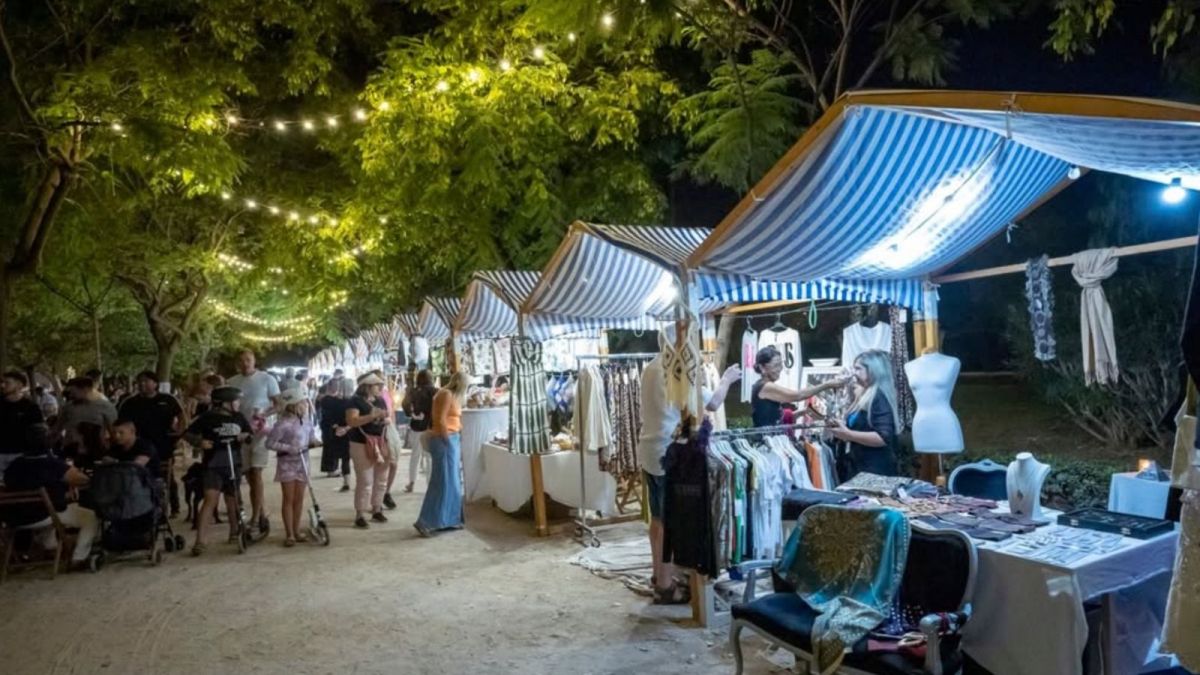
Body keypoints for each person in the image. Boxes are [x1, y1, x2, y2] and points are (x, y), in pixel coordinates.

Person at [638, 326, 740, 604]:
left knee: (657, 519)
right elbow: (713, 403)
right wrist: (727, 379)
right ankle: (666, 585)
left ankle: (659, 575)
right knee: (669, 521)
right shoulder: (678, 369)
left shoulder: (650, 367)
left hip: (649, 448)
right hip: (669, 453)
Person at [3, 424, 98, 569]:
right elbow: (83, 479)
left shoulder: (13, 467)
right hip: (44, 514)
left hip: (15, 519)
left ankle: (50, 548)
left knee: (52, 511)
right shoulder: (52, 464)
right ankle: (78, 558)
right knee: (89, 517)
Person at [184, 386, 251, 556]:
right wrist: (199, 442)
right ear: (225, 403)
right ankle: (201, 540)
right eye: (236, 401)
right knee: (210, 499)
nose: (239, 403)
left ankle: (235, 531)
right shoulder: (207, 418)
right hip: (213, 464)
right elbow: (188, 433)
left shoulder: (239, 417)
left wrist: (245, 436)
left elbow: (249, 433)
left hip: (233, 462)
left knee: (233, 499)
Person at [227, 349, 280, 536]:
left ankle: (256, 518)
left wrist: (264, 414)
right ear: (237, 363)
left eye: (248, 360)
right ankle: (262, 510)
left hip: (260, 433)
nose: (245, 363)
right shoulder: (232, 382)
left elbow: (278, 404)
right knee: (249, 475)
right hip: (241, 434)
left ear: (254, 361)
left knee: (256, 473)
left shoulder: (267, 379)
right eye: (241, 360)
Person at [118, 370, 184, 515]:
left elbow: (181, 415)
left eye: (146, 381)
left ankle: (173, 505)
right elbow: (121, 424)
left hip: (163, 444)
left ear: (155, 383)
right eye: (140, 381)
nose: (142, 384)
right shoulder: (130, 402)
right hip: (138, 446)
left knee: (166, 474)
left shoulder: (168, 400)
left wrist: (179, 434)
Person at [413, 371, 470, 537]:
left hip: (450, 437)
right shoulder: (446, 394)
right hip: (445, 438)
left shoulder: (448, 394)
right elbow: (441, 419)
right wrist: (446, 439)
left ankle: (449, 519)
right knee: (443, 480)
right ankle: (427, 521)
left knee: (452, 480)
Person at [828, 349, 901, 478]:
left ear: (873, 370)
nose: (854, 373)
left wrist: (848, 434)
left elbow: (883, 438)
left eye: (858, 369)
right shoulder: (866, 394)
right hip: (860, 466)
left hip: (875, 470)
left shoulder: (878, 396)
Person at [266, 389, 318, 547]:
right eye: (302, 402)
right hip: (287, 464)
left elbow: (311, 437)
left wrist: (315, 442)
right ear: (292, 405)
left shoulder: (306, 421)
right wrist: (289, 448)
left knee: (299, 499)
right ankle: (289, 534)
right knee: (288, 498)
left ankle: (297, 530)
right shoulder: (282, 424)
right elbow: (270, 443)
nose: (305, 405)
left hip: (303, 463)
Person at [750, 345, 847, 428]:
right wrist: (827, 384)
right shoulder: (765, 387)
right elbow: (797, 395)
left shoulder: (763, 385)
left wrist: (802, 412)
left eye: (780, 365)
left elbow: (773, 416)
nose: (780, 369)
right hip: (766, 439)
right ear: (762, 367)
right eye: (775, 365)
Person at [345, 373, 391, 528]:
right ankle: (360, 513)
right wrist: (371, 417)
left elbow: (387, 417)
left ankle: (377, 508)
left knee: (381, 477)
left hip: (380, 440)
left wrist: (385, 419)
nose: (380, 387)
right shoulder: (354, 401)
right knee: (365, 479)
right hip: (361, 442)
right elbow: (352, 421)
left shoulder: (380, 400)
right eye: (377, 385)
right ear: (367, 386)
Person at [53, 377, 117, 449]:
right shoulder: (68, 407)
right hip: (70, 449)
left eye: (73, 392)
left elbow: (113, 432)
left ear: (85, 389)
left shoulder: (106, 407)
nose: (70, 395)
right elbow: (58, 427)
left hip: (95, 449)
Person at [1, 370, 44, 477]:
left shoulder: (30, 407)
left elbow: (38, 432)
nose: (2, 385)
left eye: (7, 383)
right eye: (2, 382)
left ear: (19, 384)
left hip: (21, 455)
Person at [401, 369, 438, 493]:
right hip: (430, 427)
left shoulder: (413, 391)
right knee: (429, 457)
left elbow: (405, 405)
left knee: (415, 455)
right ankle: (430, 484)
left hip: (416, 426)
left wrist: (412, 414)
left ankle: (411, 482)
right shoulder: (435, 391)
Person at [318, 378, 351, 491]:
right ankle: (333, 471)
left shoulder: (332, 400)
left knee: (334, 450)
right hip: (335, 428)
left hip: (335, 427)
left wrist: (336, 426)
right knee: (335, 451)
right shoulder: (330, 400)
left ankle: (336, 472)